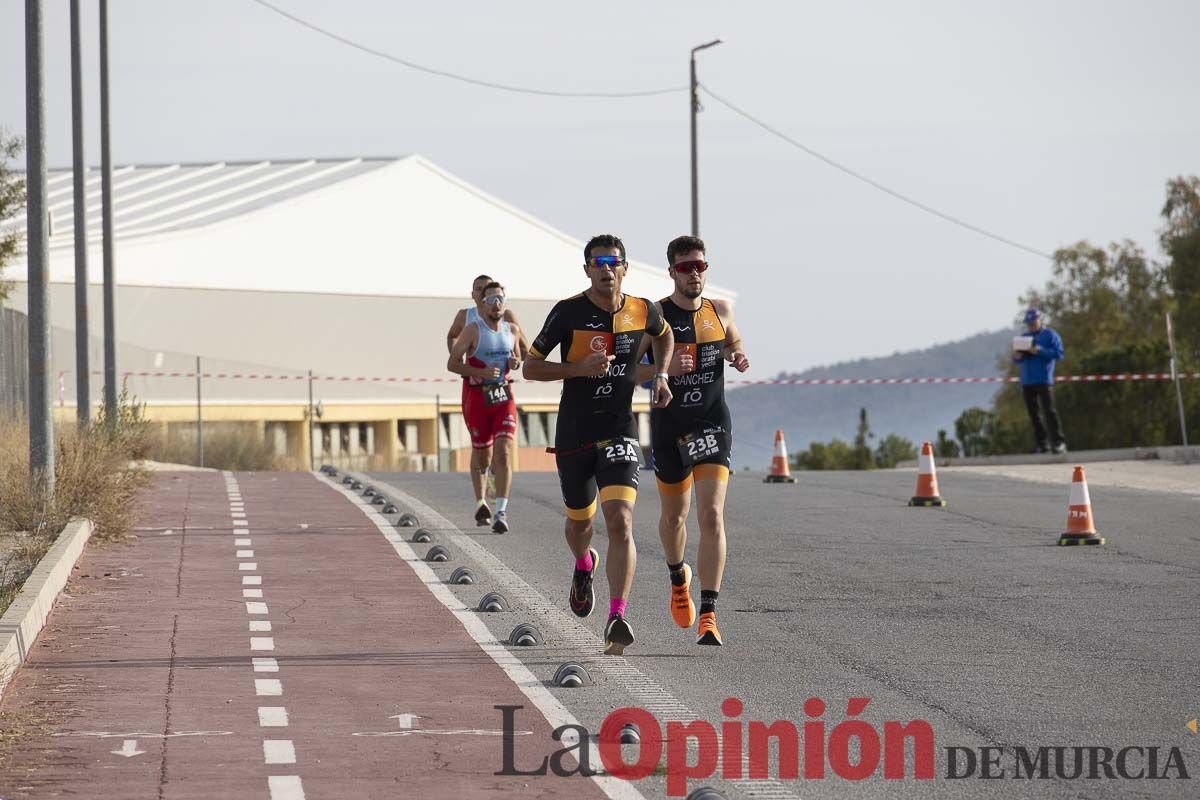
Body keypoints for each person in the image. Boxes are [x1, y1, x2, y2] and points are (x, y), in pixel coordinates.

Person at [523, 234, 674, 655]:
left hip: (620, 429)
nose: (606, 269)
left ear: (625, 268)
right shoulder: (568, 312)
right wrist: (578, 368)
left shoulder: (645, 310)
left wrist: (660, 375)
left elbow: (664, 336)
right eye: (598, 262)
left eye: (613, 262)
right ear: (587, 269)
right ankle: (583, 563)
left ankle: (617, 615)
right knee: (579, 526)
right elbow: (530, 368)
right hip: (574, 433)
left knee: (621, 521)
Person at [638, 235, 748, 646]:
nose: (695, 273)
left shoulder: (720, 310)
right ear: (671, 272)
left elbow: (733, 341)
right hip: (670, 428)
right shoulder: (655, 315)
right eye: (686, 267)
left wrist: (736, 355)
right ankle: (677, 577)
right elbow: (630, 371)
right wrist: (664, 371)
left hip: (712, 423)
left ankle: (709, 613)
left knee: (712, 516)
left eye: (700, 266)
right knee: (674, 519)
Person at [446, 275, 528, 524]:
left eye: (499, 298)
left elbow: (523, 351)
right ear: (477, 297)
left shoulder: (510, 323)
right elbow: (452, 352)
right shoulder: (467, 319)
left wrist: (516, 361)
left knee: (503, 450)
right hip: (475, 393)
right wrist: (471, 364)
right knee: (482, 454)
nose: (494, 302)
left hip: (502, 394)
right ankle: (481, 495)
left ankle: (501, 511)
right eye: (486, 295)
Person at [1013, 307, 1067, 454]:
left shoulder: (1050, 335)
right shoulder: (1024, 337)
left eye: (1033, 322)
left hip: (1043, 380)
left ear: (1039, 320)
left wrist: (1040, 351)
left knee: (1049, 412)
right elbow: (1017, 359)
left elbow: (1059, 354)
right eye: (1028, 323)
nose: (1031, 325)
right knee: (1034, 414)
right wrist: (1017, 357)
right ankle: (1042, 443)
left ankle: (1058, 442)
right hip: (1027, 381)